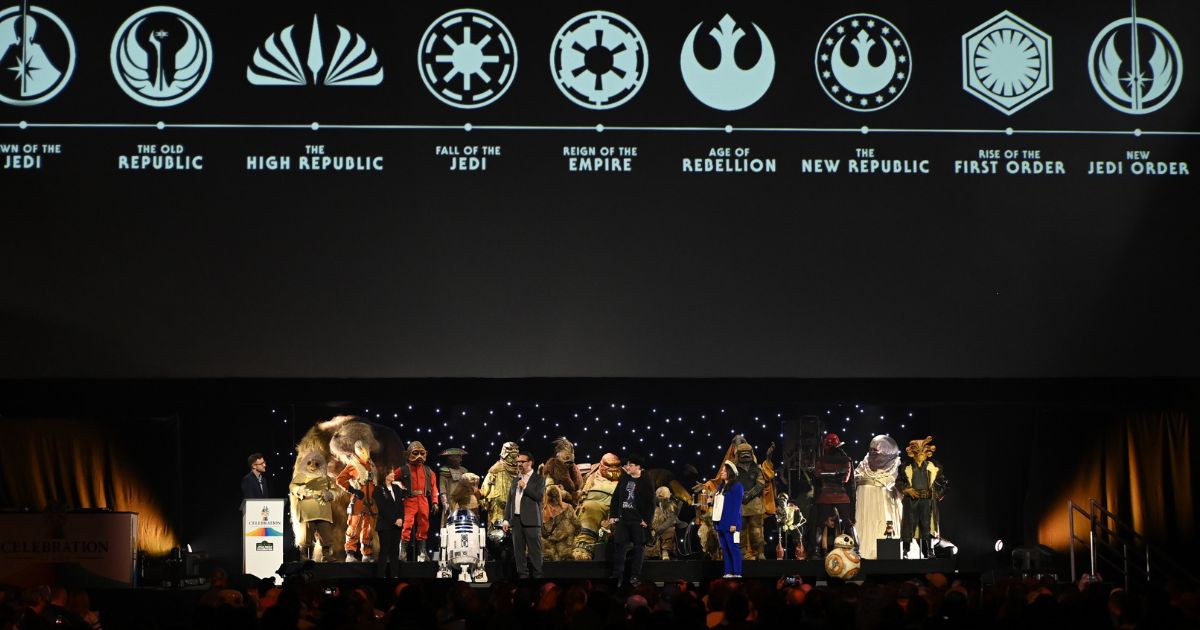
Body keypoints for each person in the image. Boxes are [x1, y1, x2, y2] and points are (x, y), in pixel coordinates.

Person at [607, 453, 654, 588]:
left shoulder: (646, 480)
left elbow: (651, 502)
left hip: (638, 520)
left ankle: (635, 576)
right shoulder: (624, 478)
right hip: (623, 519)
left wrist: (647, 520)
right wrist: (613, 515)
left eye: (630, 465)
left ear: (638, 467)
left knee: (639, 547)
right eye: (627, 464)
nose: (627, 467)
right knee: (620, 546)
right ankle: (617, 575)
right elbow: (616, 497)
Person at [503, 451, 544, 578]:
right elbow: (510, 501)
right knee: (519, 553)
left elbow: (539, 496)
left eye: (522, 462)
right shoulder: (515, 480)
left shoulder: (539, 479)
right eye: (518, 462)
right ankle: (522, 577)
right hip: (516, 521)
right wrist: (506, 520)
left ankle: (538, 578)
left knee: (534, 553)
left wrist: (525, 487)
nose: (519, 464)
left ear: (530, 462)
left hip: (532, 522)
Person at [714, 461, 743, 578]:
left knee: (733, 548)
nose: (722, 472)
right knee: (725, 549)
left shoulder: (737, 486)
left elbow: (736, 507)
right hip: (721, 523)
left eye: (724, 471)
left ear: (730, 472)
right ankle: (728, 572)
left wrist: (734, 524)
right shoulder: (721, 487)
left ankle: (737, 573)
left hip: (731, 524)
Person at [375, 468, 405, 576]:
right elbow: (382, 508)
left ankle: (394, 575)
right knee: (384, 551)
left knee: (395, 552)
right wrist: (394, 520)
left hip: (397, 525)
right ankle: (380, 575)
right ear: (385, 475)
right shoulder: (378, 489)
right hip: (385, 525)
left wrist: (401, 518)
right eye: (391, 472)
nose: (393, 473)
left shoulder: (396, 488)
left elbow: (401, 506)